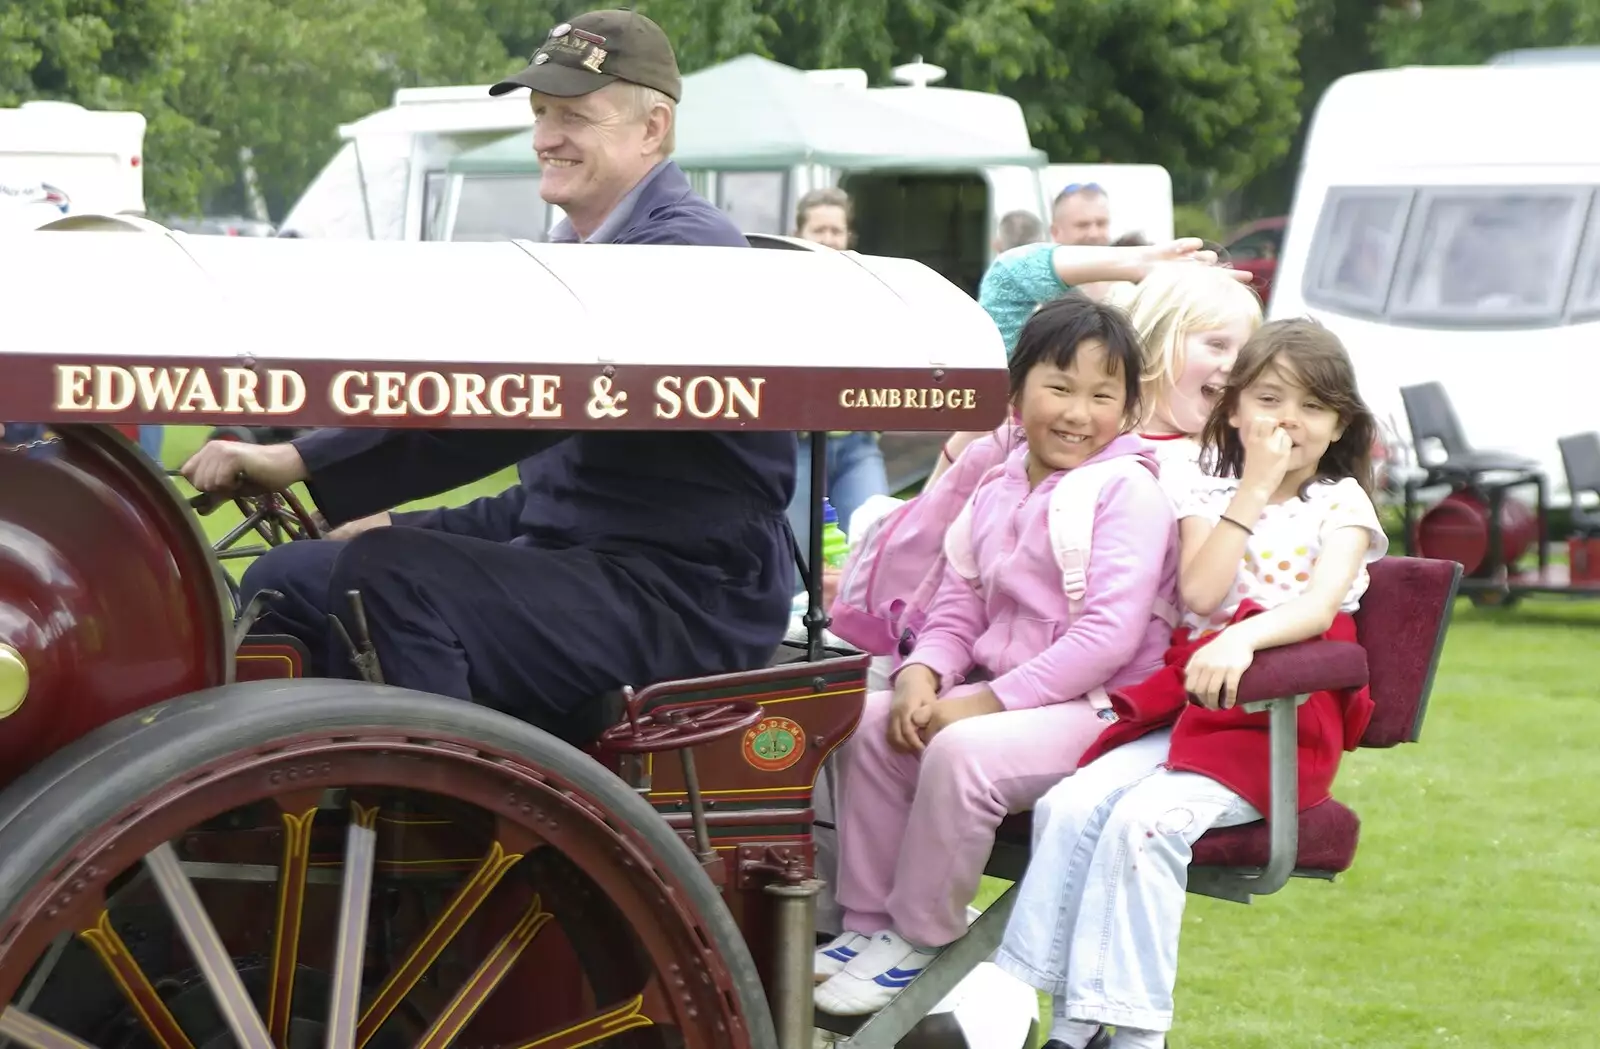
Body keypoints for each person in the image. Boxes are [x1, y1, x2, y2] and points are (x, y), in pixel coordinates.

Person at [179, 9, 797, 747]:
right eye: (540, 114)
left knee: (387, 574)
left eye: (573, 115)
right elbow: (560, 498)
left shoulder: (680, 252)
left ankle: (445, 817)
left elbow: (500, 408)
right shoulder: (581, 252)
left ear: (652, 129)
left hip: (686, 596)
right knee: (287, 575)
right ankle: (295, 803)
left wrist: (300, 458)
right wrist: (360, 491)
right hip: (598, 564)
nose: (544, 137)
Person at [992, 318, 1387, 1049]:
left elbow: (1319, 604)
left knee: (1148, 823)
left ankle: (1136, 1034)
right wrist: (1255, 488)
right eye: (1268, 398)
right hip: (1194, 706)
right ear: (1232, 409)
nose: (1286, 420)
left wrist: (1242, 636)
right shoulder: (1205, 491)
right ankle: (1065, 1017)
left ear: (1338, 425)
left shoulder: (1342, 506)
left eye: (1311, 405)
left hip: (1281, 717)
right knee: (1074, 803)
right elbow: (1203, 593)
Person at [812, 294, 1182, 1016]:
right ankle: (866, 925)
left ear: (1128, 407)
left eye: (1103, 395)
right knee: (870, 722)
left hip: (1098, 710)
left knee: (960, 752)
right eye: (1060, 387)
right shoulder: (999, 482)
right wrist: (924, 673)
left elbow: (1106, 638)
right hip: (1004, 696)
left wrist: (980, 702)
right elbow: (959, 603)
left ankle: (922, 936)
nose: (1078, 412)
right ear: (1017, 393)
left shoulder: (1127, 492)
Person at [787, 187, 889, 565]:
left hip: (856, 443)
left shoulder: (870, 289)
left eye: (837, 230)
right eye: (820, 230)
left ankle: (857, 623)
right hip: (796, 445)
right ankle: (796, 626)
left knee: (874, 541)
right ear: (799, 233)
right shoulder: (781, 287)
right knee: (797, 559)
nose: (829, 239)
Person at [1108, 265, 1264, 508]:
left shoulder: (1230, 462)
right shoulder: (1094, 438)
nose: (1234, 366)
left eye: (1244, 355)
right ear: (1156, 340)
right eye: (1217, 344)